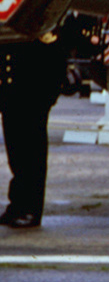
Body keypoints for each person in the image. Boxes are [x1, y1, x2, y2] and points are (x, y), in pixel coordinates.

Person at [0, 27, 74, 230]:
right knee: (16, 151)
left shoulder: (42, 20)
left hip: (34, 90)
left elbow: (55, 54)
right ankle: (18, 204)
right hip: (12, 89)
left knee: (31, 152)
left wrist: (51, 92)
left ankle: (30, 209)